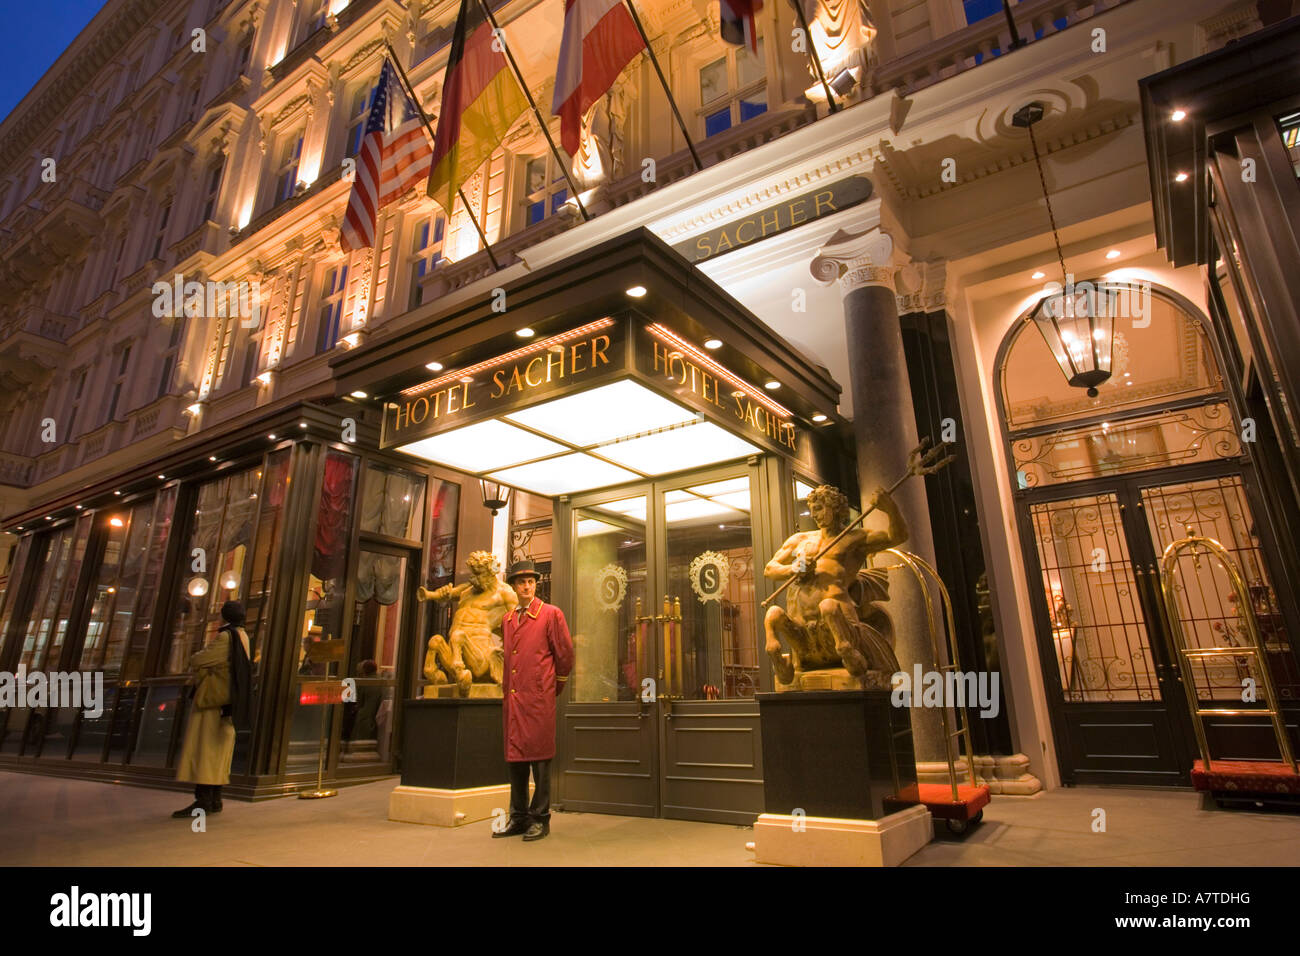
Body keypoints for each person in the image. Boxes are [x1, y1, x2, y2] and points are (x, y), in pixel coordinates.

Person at [494, 560, 573, 842]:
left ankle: (540, 818)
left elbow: (565, 656)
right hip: (514, 699)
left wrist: (551, 688)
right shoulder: (506, 619)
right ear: (513, 586)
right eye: (521, 582)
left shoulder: (551, 615)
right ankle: (518, 817)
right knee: (515, 760)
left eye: (530, 582)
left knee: (540, 760)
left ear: (536, 584)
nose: (526, 586)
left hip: (538, 699)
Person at [172, 600, 253, 817]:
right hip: (227, 703)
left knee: (206, 750)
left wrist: (197, 659)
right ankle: (214, 798)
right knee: (218, 752)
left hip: (213, 701)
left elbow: (200, 659)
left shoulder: (227, 637)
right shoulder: (243, 636)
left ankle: (204, 800)